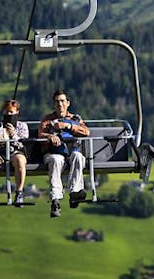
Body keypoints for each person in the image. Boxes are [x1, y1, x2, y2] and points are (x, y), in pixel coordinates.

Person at [39, 89, 90, 218]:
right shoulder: (48, 120)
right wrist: (50, 136)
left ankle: (74, 192)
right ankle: (55, 199)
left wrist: (68, 126)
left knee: (78, 157)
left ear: (67, 103)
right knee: (56, 160)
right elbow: (41, 134)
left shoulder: (75, 119)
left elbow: (86, 132)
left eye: (62, 101)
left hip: (71, 151)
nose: (60, 104)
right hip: (54, 153)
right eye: (57, 102)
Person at [0, 99, 29, 210]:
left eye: (11, 112)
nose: (8, 114)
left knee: (20, 161)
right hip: (0, 151)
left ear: (17, 112)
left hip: (15, 151)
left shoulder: (22, 126)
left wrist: (13, 134)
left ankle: (19, 193)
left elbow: (24, 141)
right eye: (6, 112)